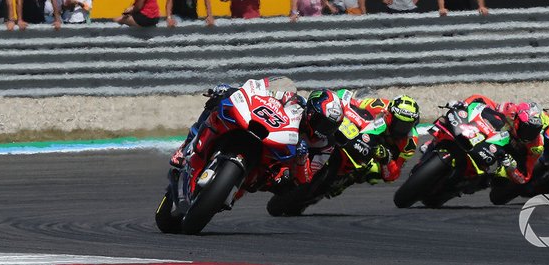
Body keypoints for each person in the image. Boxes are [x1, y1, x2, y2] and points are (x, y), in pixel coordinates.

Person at [171, 79, 344, 190]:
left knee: (282, 183)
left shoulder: (326, 145)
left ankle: (227, 192)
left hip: (278, 168)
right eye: (322, 123)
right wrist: (234, 91)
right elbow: (261, 93)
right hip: (267, 137)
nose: (324, 130)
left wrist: (300, 159)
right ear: (311, 112)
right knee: (218, 101)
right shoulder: (295, 103)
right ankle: (185, 146)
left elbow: (304, 179)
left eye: (330, 127)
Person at [341, 92, 420, 183]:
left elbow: (392, 176)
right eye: (399, 123)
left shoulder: (410, 143)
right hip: (362, 135)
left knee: (373, 174)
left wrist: (386, 159)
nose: (401, 129)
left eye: (407, 125)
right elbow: (353, 103)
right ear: (390, 115)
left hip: (378, 156)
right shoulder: (378, 105)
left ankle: (345, 180)